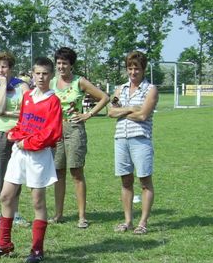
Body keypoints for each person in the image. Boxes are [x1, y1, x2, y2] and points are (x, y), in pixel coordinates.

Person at [0, 57, 62, 263]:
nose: (41, 77)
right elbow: (23, 123)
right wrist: (15, 133)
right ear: (32, 74)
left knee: (37, 201)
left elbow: (52, 133)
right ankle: (4, 243)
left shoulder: (52, 100)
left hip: (38, 155)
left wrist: (26, 143)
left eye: (45, 73)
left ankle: (37, 249)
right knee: (6, 196)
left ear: (51, 76)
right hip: (20, 152)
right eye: (37, 73)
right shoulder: (27, 96)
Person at [49, 47, 109, 228]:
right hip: (56, 130)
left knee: (76, 172)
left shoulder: (79, 82)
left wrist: (88, 114)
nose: (61, 66)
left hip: (75, 129)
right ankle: (58, 214)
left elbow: (104, 98)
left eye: (64, 63)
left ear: (71, 64)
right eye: (58, 63)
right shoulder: (51, 82)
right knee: (58, 172)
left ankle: (82, 216)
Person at [108, 50, 158, 235]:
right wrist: (130, 108)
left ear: (143, 69)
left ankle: (143, 222)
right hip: (121, 139)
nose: (133, 72)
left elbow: (144, 114)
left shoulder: (150, 90)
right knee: (126, 181)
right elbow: (111, 112)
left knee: (145, 181)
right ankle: (128, 221)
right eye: (129, 68)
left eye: (136, 68)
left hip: (141, 140)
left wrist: (123, 111)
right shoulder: (120, 89)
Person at [0, 51, 31, 229]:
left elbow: (28, 110)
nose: (1, 70)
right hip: (0, 133)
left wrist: (8, 113)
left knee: (17, 173)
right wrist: (3, 86)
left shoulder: (22, 86)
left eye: (4, 66)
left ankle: (15, 212)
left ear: (11, 68)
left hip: (19, 133)